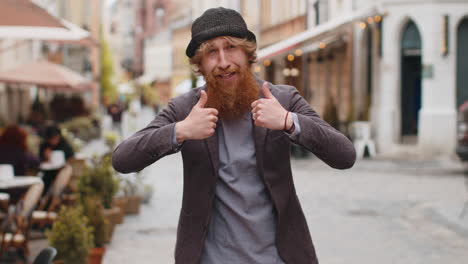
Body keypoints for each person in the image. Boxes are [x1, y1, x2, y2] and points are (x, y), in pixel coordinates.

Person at [112, 7, 356, 264]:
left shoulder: (282, 99)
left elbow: (344, 155)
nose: (223, 61)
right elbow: (123, 159)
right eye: (211, 52)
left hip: (280, 257)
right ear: (200, 64)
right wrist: (180, 130)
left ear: (247, 53)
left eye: (230, 48)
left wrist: (288, 121)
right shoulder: (185, 109)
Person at [39, 125, 74, 194]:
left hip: (61, 170)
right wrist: (46, 157)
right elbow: (40, 161)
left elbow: (71, 157)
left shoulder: (64, 145)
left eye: (55, 138)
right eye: (51, 139)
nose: (54, 141)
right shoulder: (45, 146)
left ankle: (55, 197)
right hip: (48, 171)